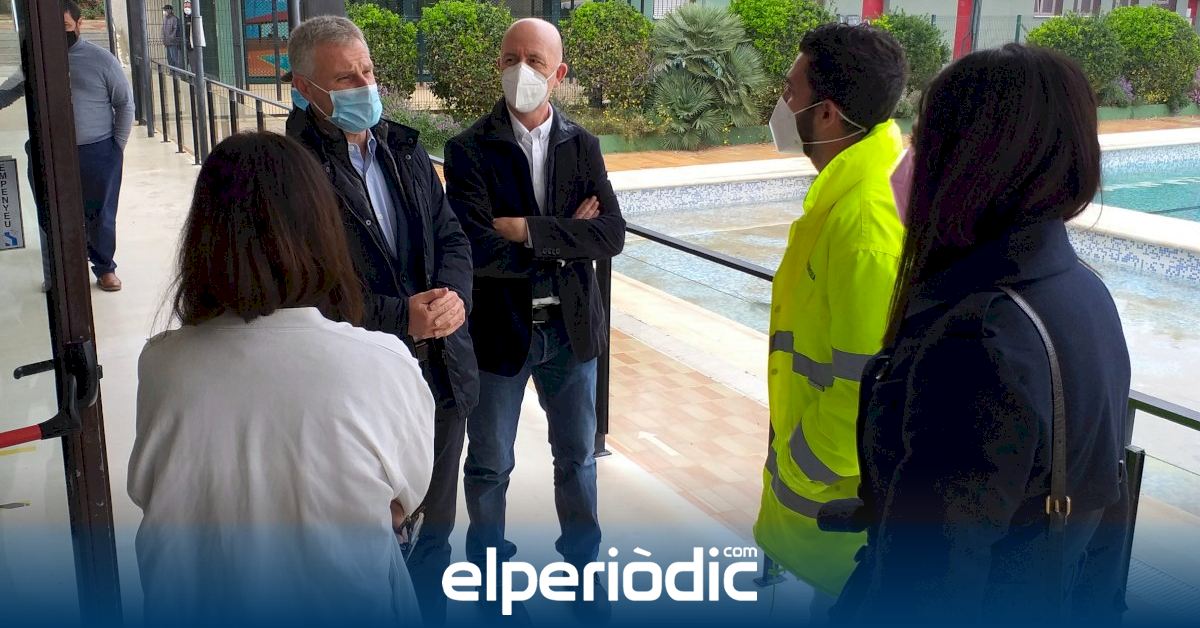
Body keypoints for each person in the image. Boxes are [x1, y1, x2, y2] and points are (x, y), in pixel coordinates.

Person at [818, 44, 1132, 623]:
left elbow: (928, 582)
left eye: (924, 141)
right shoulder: (1083, 293)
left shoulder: (977, 339)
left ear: (970, 160)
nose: (908, 162)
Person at [128, 132, 435, 626]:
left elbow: (158, 493)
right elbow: (402, 503)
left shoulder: (162, 365)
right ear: (323, 233)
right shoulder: (383, 362)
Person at [284, 16, 478, 625]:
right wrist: (401, 318)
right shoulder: (290, 174)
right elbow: (300, 294)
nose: (365, 86)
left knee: (434, 537)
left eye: (368, 71)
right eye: (346, 78)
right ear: (304, 88)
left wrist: (454, 297)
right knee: (369, 551)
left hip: (439, 376)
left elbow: (451, 235)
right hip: (352, 391)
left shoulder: (404, 148)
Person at [443, 18, 625, 622]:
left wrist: (525, 229)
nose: (520, 69)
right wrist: (566, 236)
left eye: (535, 61)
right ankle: (490, 579)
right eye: (510, 57)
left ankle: (583, 570)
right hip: (499, 333)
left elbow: (611, 235)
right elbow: (475, 247)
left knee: (577, 460)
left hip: (571, 333)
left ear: (558, 73)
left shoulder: (583, 144)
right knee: (490, 465)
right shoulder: (468, 149)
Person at [753, 23, 908, 607]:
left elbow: (863, 389)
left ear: (826, 114)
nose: (781, 104)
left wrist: (796, 468)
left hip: (839, 526)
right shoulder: (853, 190)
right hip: (832, 519)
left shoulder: (864, 222)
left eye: (790, 91)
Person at [63, 0, 134, 292]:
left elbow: (125, 104)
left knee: (100, 213)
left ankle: (105, 268)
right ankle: (63, 269)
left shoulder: (101, 59)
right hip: (52, 153)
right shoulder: (39, 59)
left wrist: (117, 147)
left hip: (97, 150)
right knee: (57, 212)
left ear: (79, 24)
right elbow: (12, 89)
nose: (60, 33)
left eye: (65, 26)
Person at [162, 4, 183, 69]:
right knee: (170, 59)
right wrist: (164, 39)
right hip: (167, 42)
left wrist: (171, 39)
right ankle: (172, 72)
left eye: (165, 10)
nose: (164, 12)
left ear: (169, 10)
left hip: (173, 42)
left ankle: (177, 73)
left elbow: (175, 30)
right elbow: (163, 30)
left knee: (175, 59)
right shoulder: (165, 19)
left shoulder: (175, 19)